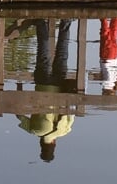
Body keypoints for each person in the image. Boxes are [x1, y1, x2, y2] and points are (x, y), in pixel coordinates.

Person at [18, 18, 75, 161]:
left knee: (62, 54)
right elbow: (19, 115)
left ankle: (66, 22)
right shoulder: (34, 130)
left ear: (54, 144)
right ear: (41, 145)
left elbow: (72, 109)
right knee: (43, 54)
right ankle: (40, 23)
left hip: (60, 85)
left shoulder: (65, 130)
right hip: (42, 84)